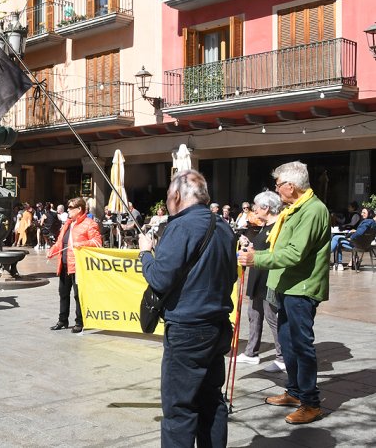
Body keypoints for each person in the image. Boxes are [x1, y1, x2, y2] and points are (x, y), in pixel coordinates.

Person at [138, 170, 236, 446]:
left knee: (179, 408)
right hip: (217, 326)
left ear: (177, 196)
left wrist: (146, 253)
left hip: (187, 329)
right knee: (212, 402)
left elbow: (159, 278)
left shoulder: (180, 227)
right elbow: (231, 276)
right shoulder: (224, 226)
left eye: (169, 195)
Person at [238, 161, 330, 425]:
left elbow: (295, 253)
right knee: (287, 343)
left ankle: (311, 403)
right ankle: (295, 391)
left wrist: (258, 259)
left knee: (301, 345)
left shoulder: (313, 210)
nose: (277, 190)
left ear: (291, 185)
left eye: (279, 185)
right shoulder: (295, 209)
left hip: (301, 288)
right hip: (286, 286)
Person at [235, 191, 285, 373]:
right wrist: (249, 244)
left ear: (266, 208)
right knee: (254, 314)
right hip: (257, 276)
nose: (254, 210)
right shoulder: (264, 226)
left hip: (268, 278)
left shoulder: (279, 226)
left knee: (272, 317)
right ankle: (251, 352)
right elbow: (260, 248)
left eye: (256, 207)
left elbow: (274, 254)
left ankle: (283, 357)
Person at [46, 197, 102, 333]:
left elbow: (97, 242)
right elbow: (60, 242)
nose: (68, 210)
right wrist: (52, 251)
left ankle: (80, 322)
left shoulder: (90, 224)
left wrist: (81, 244)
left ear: (79, 209)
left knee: (78, 295)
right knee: (63, 293)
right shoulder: (67, 224)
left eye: (71, 208)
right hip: (64, 264)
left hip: (78, 266)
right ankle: (62, 320)